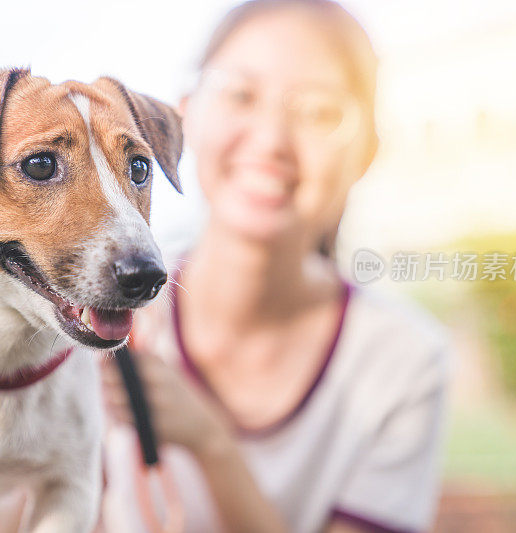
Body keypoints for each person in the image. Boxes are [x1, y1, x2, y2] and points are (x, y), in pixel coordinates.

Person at [100, 1, 451, 532]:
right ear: (185, 114)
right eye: (240, 94)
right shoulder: (97, 313)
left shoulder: (402, 362)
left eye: (319, 111)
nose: (270, 141)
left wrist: (210, 441)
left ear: (368, 152)